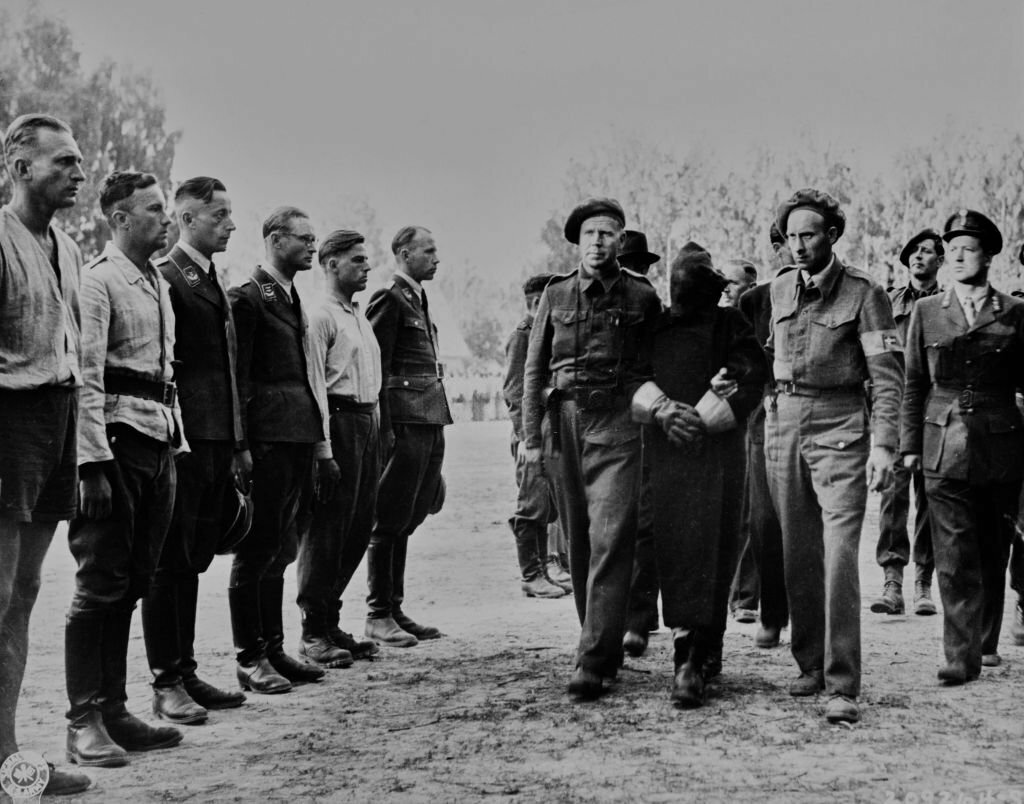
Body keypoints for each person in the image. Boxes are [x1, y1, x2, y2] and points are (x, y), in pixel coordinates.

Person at [765, 189, 903, 724]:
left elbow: (888, 378)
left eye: (809, 235)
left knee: (840, 554)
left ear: (832, 235)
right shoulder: (778, 290)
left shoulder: (866, 294)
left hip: (841, 427)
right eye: (791, 237)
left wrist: (886, 444)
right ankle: (811, 664)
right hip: (784, 426)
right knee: (797, 550)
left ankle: (842, 682)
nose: (798, 246)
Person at [66, 171, 187, 767]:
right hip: (113, 442)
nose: (167, 220)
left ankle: (113, 709)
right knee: (100, 583)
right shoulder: (98, 281)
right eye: (154, 210)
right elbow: (86, 376)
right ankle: (83, 719)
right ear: (119, 219)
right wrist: (90, 461)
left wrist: (177, 444)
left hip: (157, 441)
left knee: (137, 579)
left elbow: (165, 374)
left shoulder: (155, 282)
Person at [522, 198, 661, 700]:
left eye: (608, 234)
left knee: (611, 536)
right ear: (578, 243)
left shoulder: (642, 297)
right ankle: (598, 640)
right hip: (564, 425)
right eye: (590, 235)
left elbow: (653, 370)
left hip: (619, 425)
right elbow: (534, 370)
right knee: (578, 540)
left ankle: (594, 656)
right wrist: (530, 439)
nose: (598, 242)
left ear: (621, 242)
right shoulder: (555, 295)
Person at [633, 242, 767, 707]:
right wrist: (665, 412)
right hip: (668, 457)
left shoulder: (731, 323)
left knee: (719, 546)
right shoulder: (656, 327)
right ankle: (685, 652)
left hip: (719, 458)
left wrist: (707, 416)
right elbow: (632, 377)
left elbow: (754, 375)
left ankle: (708, 647)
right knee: (675, 545)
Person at [0, 113, 91, 795]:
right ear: (19, 166)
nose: (77, 173)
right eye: (62, 161)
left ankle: (8, 760)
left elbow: (74, 356)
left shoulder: (67, 246)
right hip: (9, 422)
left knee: (24, 595)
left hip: (55, 420)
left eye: (79, 162)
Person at [901, 209, 1024, 684]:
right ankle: (959, 655)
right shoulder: (927, 312)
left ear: (988, 256)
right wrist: (909, 444)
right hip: (942, 443)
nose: (955, 256)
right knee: (952, 554)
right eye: (950, 250)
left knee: (993, 550)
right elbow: (914, 383)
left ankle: (985, 638)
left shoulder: (1015, 313)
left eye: (966, 249)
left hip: (1001, 446)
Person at [141, 177, 246, 726]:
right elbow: (171, 369)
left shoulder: (208, 278)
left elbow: (226, 370)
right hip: (184, 441)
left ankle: (184, 669)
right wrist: (184, 438)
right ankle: (165, 682)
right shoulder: (169, 279)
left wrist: (236, 442)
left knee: (193, 559)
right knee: (169, 560)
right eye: (219, 215)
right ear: (186, 219)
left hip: (215, 440)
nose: (230, 224)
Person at [228, 206, 327, 693]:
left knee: (281, 549)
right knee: (256, 549)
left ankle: (273, 647)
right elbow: (239, 379)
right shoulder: (248, 298)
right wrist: (242, 445)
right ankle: (249, 657)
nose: (313, 245)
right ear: (273, 239)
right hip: (267, 441)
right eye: (305, 238)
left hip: (296, 437)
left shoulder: (289, 297)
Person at [296, 229, 382, 666]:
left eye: (366, 261)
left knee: (359, 524)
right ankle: (313, 631)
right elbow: (315, 386)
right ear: (330, 264)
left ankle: (331, 621)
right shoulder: (320, 316)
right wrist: (322, 450)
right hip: (339, 421)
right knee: (328, 527)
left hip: (368, 422)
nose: (366, 267)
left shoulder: (358, 316)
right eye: (357, 261)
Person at [365, 226, 452, 646]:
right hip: (403, 422)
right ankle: (377, 612)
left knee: (412, 514)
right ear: (403, 253)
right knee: (390, 517)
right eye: (429, 251)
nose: (437, 258)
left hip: (429, 418)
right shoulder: (389, 298)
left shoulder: (417, 296)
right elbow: (375, 366)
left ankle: (394, 607)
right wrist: (385, 430)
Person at [871, 229, 942, 617]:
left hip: (936, 411)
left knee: (930, 494)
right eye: (914, 251)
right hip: (897, 408)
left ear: (939, 261)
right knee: (893, 494)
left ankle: (923, 583)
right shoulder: (888, 301)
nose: (918, 256)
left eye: (928, 251)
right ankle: (892, 580)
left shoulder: (949, 304)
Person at [734, 224, 792, 650]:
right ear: (778, 248)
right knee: (764, 520)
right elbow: (742, 366)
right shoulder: (753, 301)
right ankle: (772, 614)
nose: (802, 246)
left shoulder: (840, 292)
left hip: (818, 420)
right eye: (792, 239)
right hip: (764, 419)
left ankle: (812, 619)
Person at [503, 273, 568, 599]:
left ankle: (543, 569)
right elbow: (515, 392)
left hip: (549, 433)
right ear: (535, 302)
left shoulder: (545, 334)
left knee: (546, 505)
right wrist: (526, 439)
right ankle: (531, 574)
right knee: (531, 504)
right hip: (531, 437)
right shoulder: (524, 336)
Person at [616, 230, 662, 657]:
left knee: (628, 524)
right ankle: (638, 616)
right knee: (642, 524)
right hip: (639, 423)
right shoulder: (649, 298)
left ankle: (632, 616)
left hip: (626, 422)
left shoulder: (642, 299)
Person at [725, 259, 761, 624]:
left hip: (752, 422)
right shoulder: (715, 325)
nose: (725, 289)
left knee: (751, 510)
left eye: (733, 284)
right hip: (718, 425)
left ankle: (746, 596)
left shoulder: (758, 325)